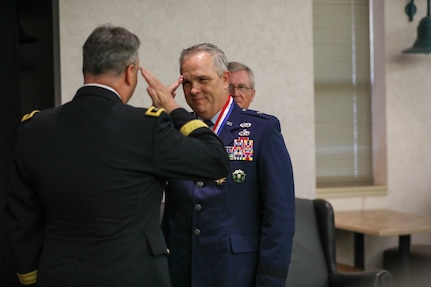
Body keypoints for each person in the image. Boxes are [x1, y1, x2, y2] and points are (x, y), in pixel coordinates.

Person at [5, 26, 230, 287]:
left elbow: (21, 216)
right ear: (130, 72)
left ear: (85, 68)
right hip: (133, 276)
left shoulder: (34, 129)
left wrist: (29, 276)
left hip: (60, 275)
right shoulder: (147, 128)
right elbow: (215, 160)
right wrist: (172, 108)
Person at [162, 43, 295, 287]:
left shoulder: (261, 130)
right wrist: (160, 117)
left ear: (225, 79)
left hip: (236, 272)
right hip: (181, 271)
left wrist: (270, 281)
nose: (194, 90)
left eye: (203, 80)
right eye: (188, 83)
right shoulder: (172, 132)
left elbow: (280, 217)